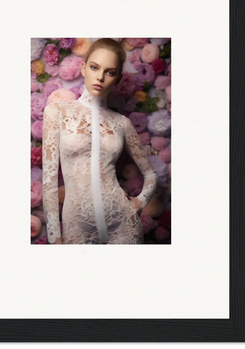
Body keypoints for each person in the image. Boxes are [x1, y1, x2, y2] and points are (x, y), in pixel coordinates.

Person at [42, 38, 159, 244]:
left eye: (110, 72)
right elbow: (49, 182)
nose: (101, 77)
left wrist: (140, 202)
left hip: (123, 222)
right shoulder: (57, 112)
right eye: (95, 68)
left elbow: (150, 173)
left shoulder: (122, 123)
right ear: (84, 67)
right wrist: (54, 237)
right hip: (77, 225)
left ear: (117, 78)